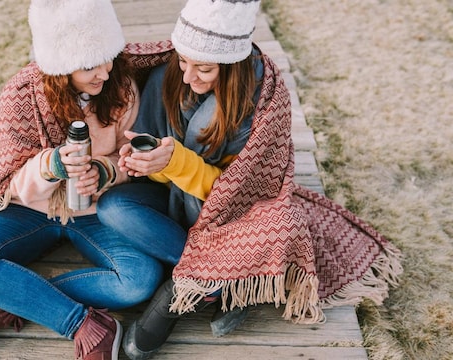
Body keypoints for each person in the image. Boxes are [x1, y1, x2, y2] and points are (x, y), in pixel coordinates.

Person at [97, 0, 403, 359]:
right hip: (172, 197)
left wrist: (175, 161)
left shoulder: (259, 108)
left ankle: (185, 286)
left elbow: (233, 193)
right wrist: (145, 162)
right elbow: (150, 148)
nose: (187, 76)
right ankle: (219, 280)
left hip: (227, 214)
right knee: (113, 207)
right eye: (183, 61)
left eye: (204, 69)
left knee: (279, 223)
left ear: (231, 66)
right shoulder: (169, 77)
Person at [0, 1, 172, 359]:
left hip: (96, 213)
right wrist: (50, 166)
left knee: (140, 281)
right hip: (31, 211)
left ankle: (18, 299)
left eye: (107, 57)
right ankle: (84, 325)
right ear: (60, 69)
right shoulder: (22, 95)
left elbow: (131, 158)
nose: (103, 72)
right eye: (88, 66)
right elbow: (7, 182)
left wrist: (105, 172)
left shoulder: (122, 87)